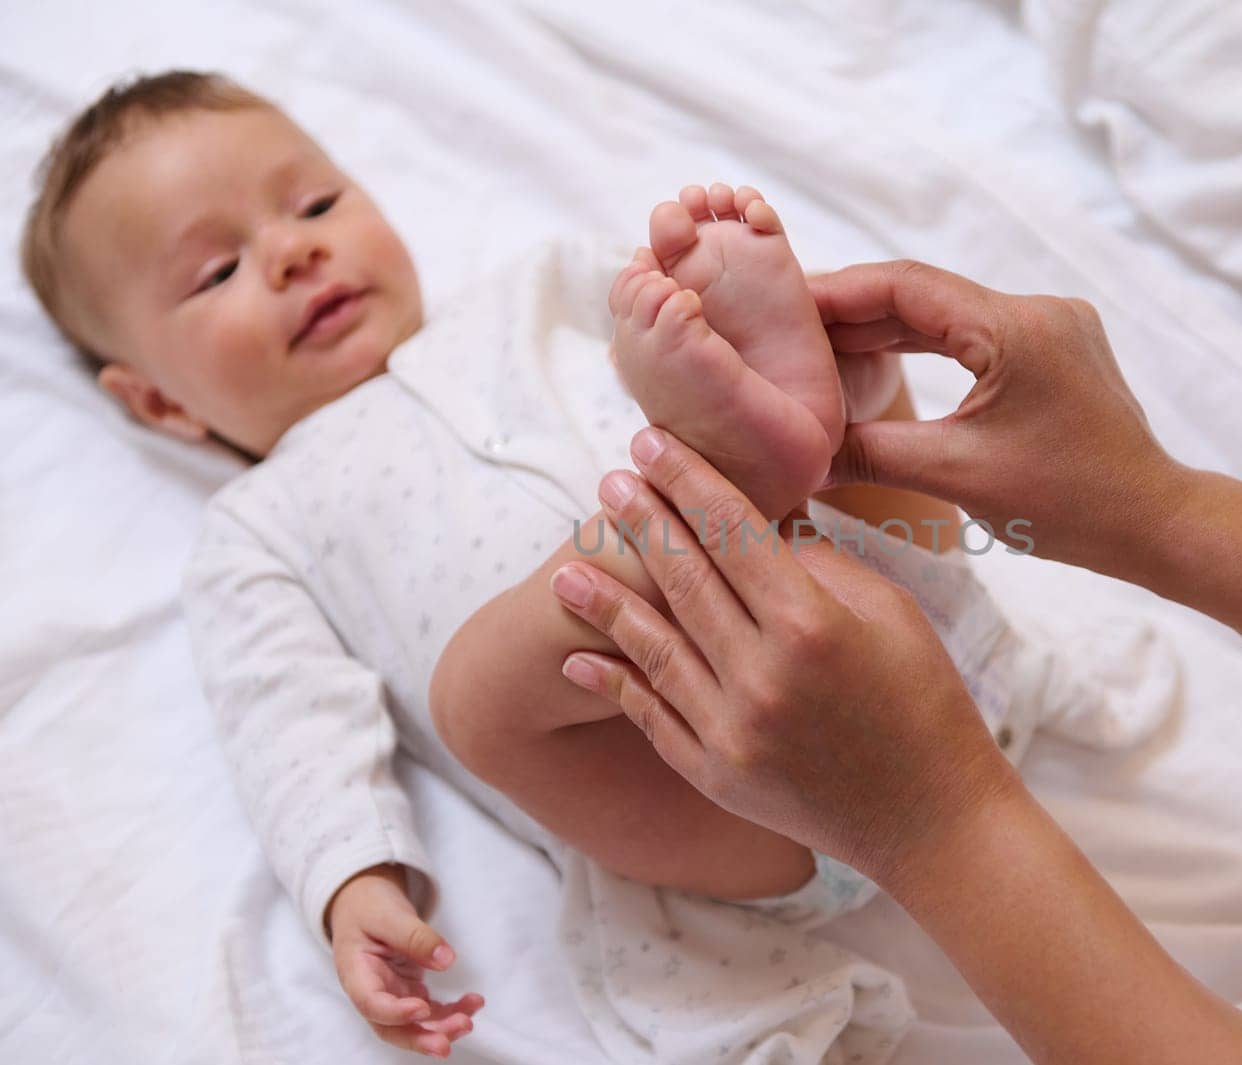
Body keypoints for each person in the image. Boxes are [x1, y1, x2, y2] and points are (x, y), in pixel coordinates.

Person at [25, 71, 1128, 1060]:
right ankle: (728, 463)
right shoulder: (257, 525)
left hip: (916, 664)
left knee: (833, 475)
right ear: (159, 401)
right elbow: (284, 721)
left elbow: (655, 305)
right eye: (218, 270)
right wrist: (350, 880)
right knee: (481, 697)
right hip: (715, 801)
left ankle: (805, 414)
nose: (293, 250)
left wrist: (707, 305)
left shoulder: (538, 292)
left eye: (316, 205)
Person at [549, 260, 1242, 1064]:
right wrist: (1157, 508)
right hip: (869, 696)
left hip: (758, 784)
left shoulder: (531, 291)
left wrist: (936, 824)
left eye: (370, 193)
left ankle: (741, 456)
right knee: (882, 557)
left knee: (491, 701)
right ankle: (820, 426)